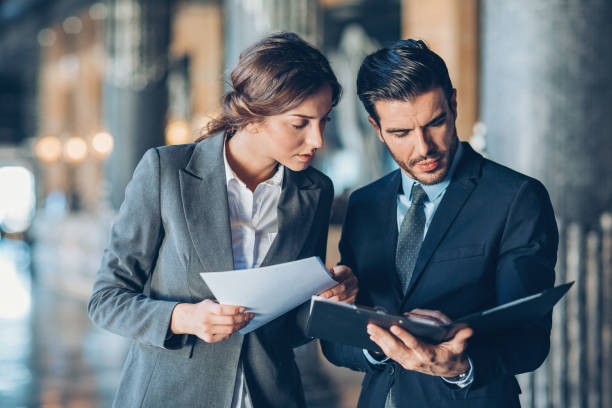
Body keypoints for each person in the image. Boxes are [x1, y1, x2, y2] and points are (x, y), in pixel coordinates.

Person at [88, 32, 358, 408]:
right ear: (254, 115)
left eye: (323, 121)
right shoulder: (166, 171)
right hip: (170, 395)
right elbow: (106, 300)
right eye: (300, 123)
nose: (317, 139)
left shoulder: (315, 190)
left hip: (271, 395)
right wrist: (181, 318)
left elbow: (290, 330)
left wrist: (328, 300)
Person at [321, 39, 558, 407]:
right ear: (376, 127)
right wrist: (381, 348)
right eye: (401, 133)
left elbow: (530, 338)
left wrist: (459, 365)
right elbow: (337, 341)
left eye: (435, 123)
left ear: (454, 104)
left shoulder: (516, 198)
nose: (424, 148)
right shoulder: (364, 204)